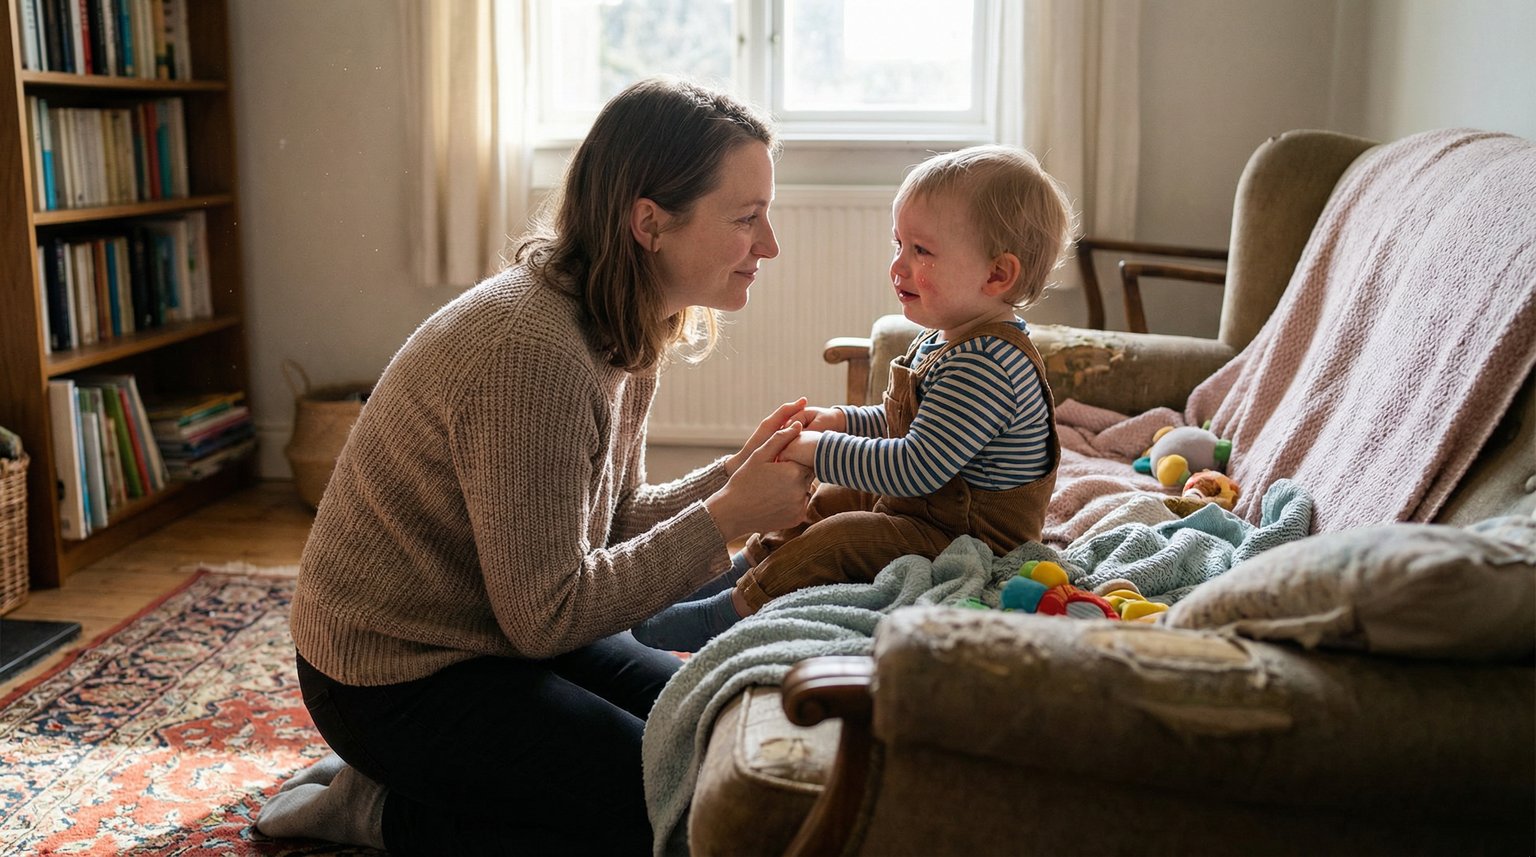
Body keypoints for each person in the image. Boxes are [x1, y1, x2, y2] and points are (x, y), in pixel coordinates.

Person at [254, 77, 816, 855]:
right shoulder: (531, 353)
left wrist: (737, 475)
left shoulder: (626, 316)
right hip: (392, 675)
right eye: (747, 218)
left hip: (501, 628)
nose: (769, 244)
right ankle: (378, 808)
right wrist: (728, 516)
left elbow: (610, 523)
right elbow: (549, 611)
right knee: (663, 815)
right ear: (650, 223)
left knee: (716, 733)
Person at [631, 144, 1072, 653]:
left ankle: (727, 611)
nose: (898, 266)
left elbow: (915, 466)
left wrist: (817, 450)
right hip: (930, 514)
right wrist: (841, 421)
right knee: (831, 498)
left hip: (973, 540)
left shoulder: (988, 363)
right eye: (898, 244)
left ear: (997, 275)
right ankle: (731, 573)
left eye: (921, 251)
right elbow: (905, 423)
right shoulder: (945, 340)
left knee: (842, 536)